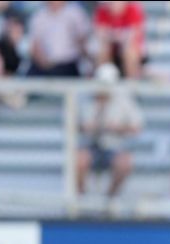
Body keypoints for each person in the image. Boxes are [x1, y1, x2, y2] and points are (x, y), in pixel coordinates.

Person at [76, 63, 145, 197]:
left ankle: (110, 198)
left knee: (124, 163)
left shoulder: (124, 99)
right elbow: (73, 124)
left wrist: (118, 128)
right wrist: (85, 127)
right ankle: (81, 198)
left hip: (115, 146)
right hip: (90, 146)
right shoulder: (84, 99)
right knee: (79, 159)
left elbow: (137, 126)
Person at [26, 1, 91, 78]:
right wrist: (43, 61)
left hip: (68, 65)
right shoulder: (38, 16)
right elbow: (34, 46)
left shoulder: (75, 14)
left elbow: (84, 42)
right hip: (43, 66)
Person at [94, 1, 147, 79]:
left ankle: (132, 81)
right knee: (103, 50)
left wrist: (113, 35)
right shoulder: (103, 10)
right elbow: (100, 34)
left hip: (129, 51)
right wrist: (117, 36)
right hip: (111, 49)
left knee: (129, 51)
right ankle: (103, 82)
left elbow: (132, 36)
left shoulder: (133, 9)